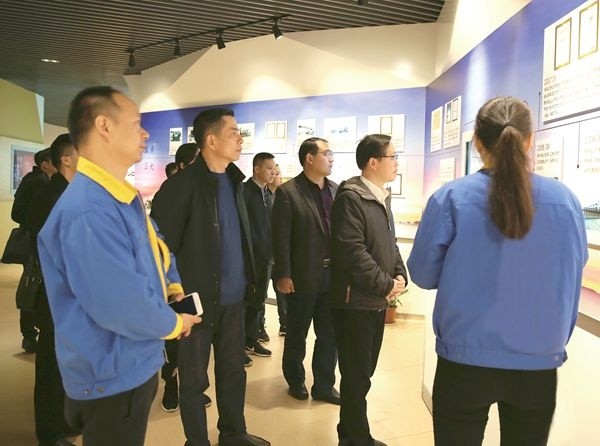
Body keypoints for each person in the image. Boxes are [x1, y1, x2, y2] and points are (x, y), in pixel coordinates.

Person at [407, 97, 588, 446]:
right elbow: (574, 264)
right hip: (538, 364)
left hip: (464, 360)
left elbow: (423, 275)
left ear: (477, 142)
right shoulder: (565, 200)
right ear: (529, 140)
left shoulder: (451, 198)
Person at [37, 86, 201, 446]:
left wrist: (172, 287)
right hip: (112, 371)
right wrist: (174, 324)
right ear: (104, 126)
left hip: (130, 361)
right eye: (136, 123)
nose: (145, 134)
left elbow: (156, 248)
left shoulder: (118, 197)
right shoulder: (90, 209)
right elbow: (119, 303)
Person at [151, 108, 270, 446]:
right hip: (196, 303)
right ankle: (197, 441)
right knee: (193, 381)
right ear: (211, 140)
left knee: (233, 371)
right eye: (233, 132)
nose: (240, 138)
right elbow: (161, 247)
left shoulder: (234, 182)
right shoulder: (181, 186)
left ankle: (233, 433)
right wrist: (175, 296)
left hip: (234, 299)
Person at [330, 134, 408, 446]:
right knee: (356, 375)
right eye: (393, 157)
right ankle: (355, 438)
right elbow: (353, 252)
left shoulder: (381, 197)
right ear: (373, 162)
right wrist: (385, 284)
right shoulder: (351, 198)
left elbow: (390, 244)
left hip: (374, 300)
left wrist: (399, 273)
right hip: (355, 302)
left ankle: (351, 433)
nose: (397, 163)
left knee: (363, 373)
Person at [271, 137, 340, 404]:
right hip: (301, 276)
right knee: (297, 332)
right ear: (309, 158)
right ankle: (295, 380)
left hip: (332, 275)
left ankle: (324, 385)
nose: (331, 158)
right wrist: (283, 274)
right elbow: (280, 238)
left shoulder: (336, 190)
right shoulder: (288, 192)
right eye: (326, 153)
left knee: (329, 333)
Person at [27, 134, 79, 446]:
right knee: (50, 366)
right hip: (55, 295)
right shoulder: (50, 196)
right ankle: (49, 434)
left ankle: (61, 422)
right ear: (66, 159)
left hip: (70, 296)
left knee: (63, 364)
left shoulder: (69, 193)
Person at [156, 141, 205, 413]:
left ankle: (192, 387)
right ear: (184, 165)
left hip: (199, 277)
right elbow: (164, 245)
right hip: (176, 280)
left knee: (194, 339)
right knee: (174, 340)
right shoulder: (170, 192)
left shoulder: (206, 190)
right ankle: (171, 384)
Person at [11, 147, 56, 353]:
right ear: (45, 165)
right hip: (36, 244)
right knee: (33, 286)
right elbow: (18, 213)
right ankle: (29, 335)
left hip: (41, 243)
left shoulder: (45, 182)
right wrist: (36, 223)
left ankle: (32, 333)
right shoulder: (37, 182)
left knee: (35, 286)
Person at [243, 152, 276, 361]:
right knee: (246, 301)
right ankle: (239, 344)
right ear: (257, 169)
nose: (273, 172)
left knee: (258, 300)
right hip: (250, 258)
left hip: (266, 257)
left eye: (274, 168)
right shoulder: (245, 192)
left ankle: (251, 338)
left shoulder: (268, 194)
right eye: (269, 168)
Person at [266, 164, 287, 336]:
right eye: (274, 172)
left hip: (277, 254)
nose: (277, 175)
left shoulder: (280, 197)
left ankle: (284, 323)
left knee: (282, 292)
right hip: (266, 254)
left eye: (278, 173)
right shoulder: (263, 196)